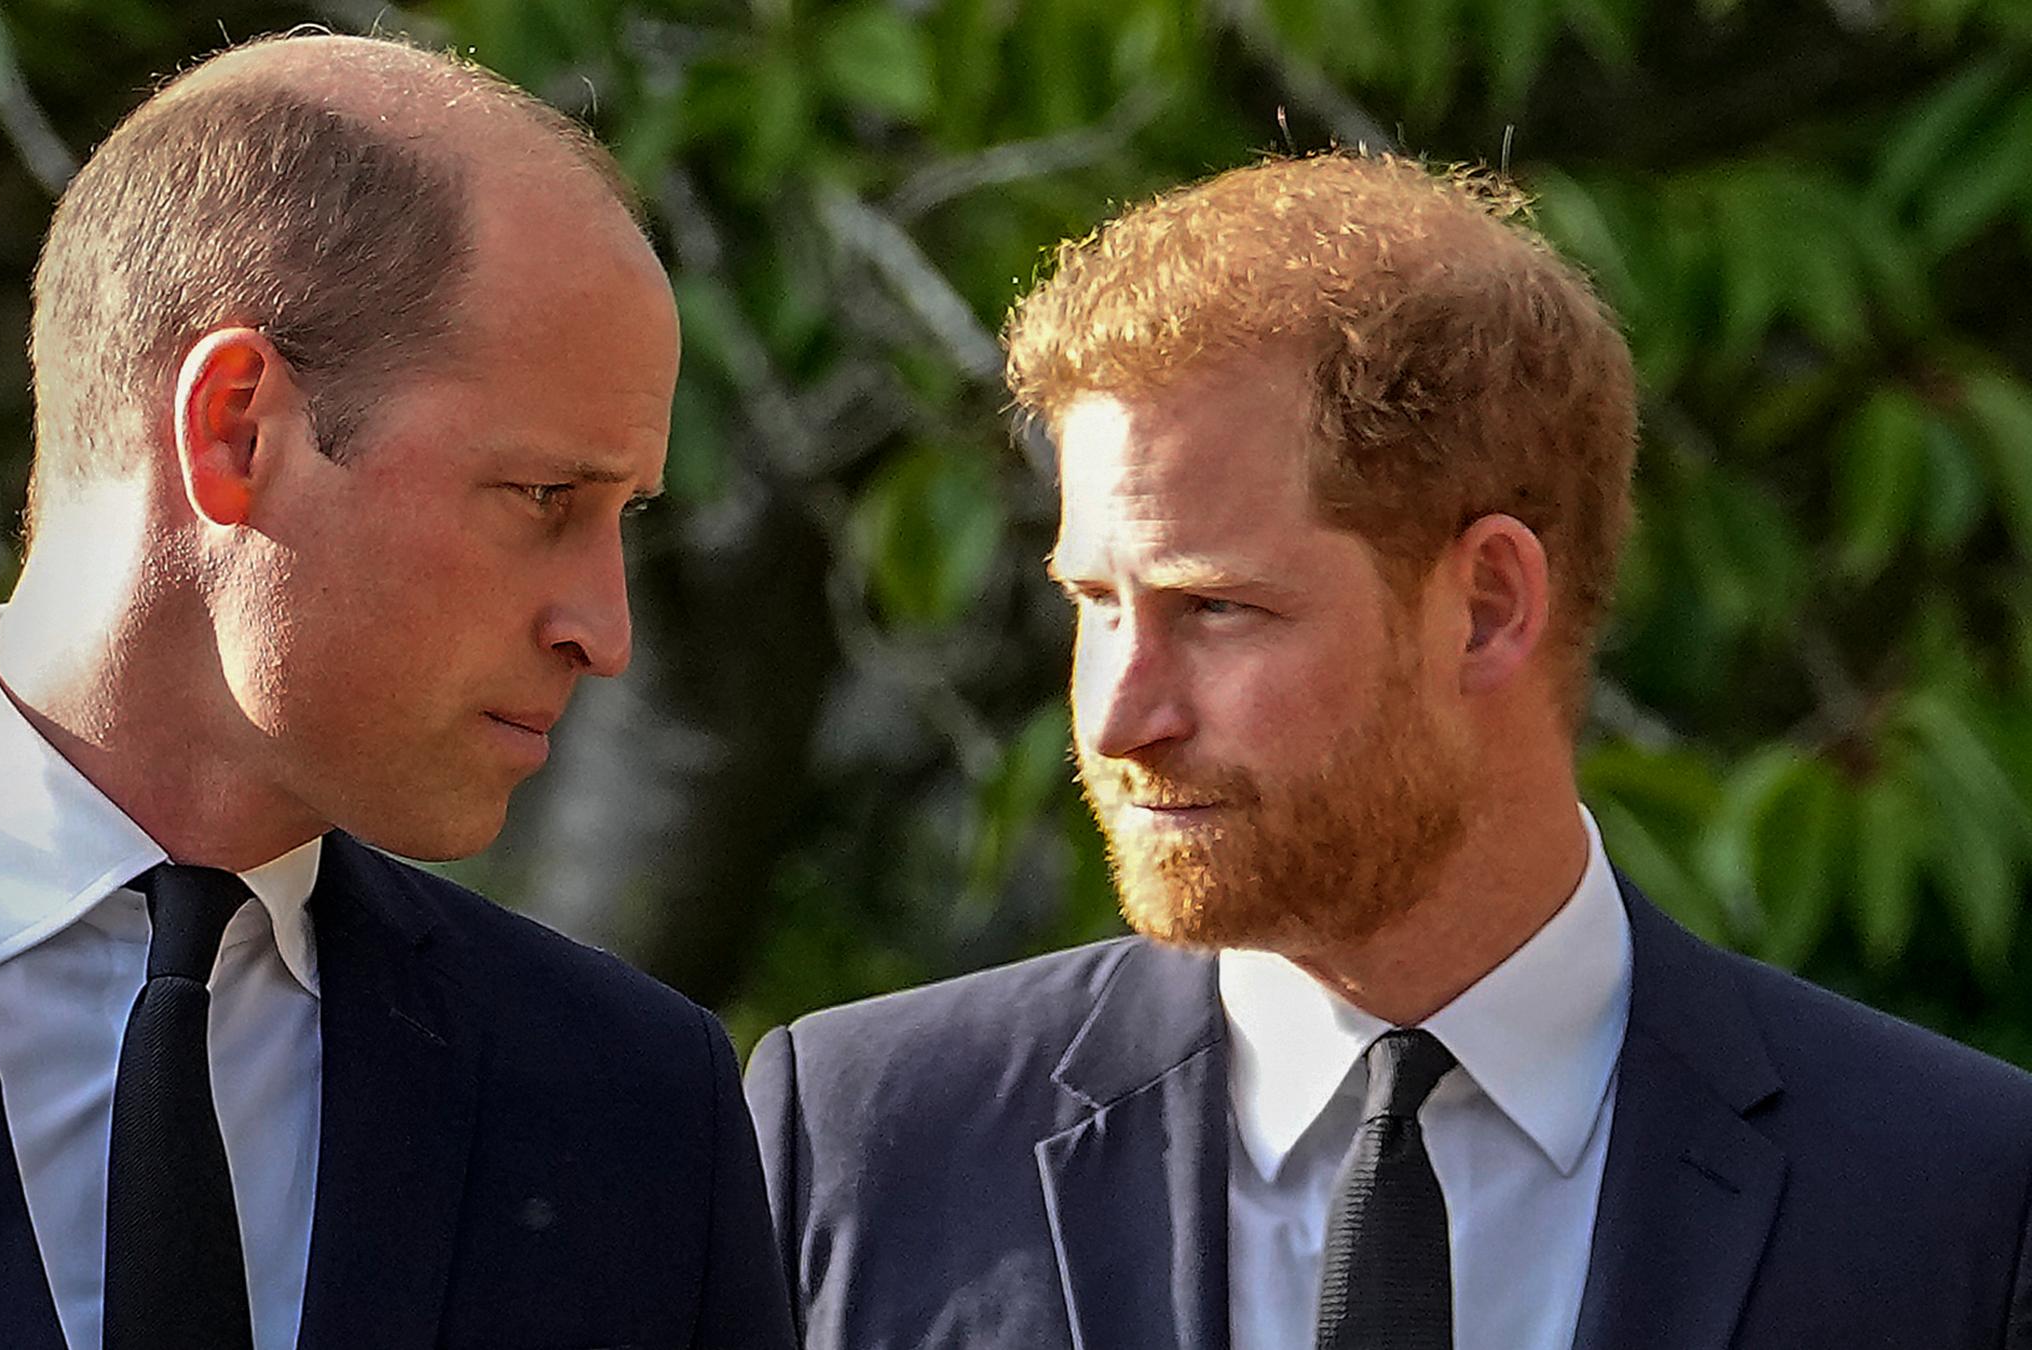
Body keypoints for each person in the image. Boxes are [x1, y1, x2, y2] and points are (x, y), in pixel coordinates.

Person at [744, 153, 2032, 1349]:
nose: (1117, 719)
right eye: (1093, 602)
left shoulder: (1951, 1194)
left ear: (1487, 606)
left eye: (1216, 607)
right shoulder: (868, 1139)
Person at [0, 33, 792, 1350]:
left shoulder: (632, 1111)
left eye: (625, 512)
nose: (607, 628)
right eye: (545, 498)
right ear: (236, 427)